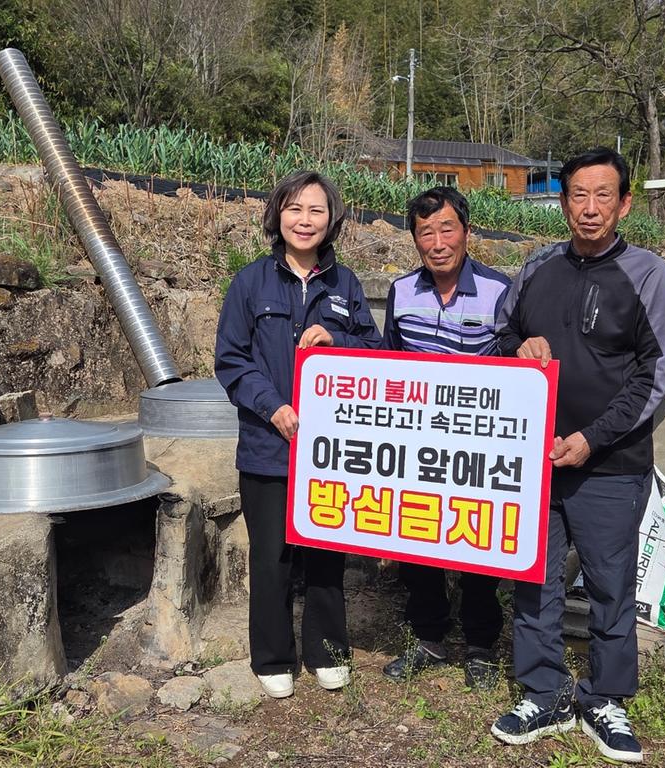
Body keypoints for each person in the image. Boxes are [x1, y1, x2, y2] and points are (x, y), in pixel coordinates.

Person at [488, 148, 665, 764]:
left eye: (603, 195)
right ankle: (543, 692)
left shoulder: (646, 273)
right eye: (577, 194)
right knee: (534, 578)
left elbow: (653, 375)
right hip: (534, 459)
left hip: (610, 465)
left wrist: (592, 438)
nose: (589, 208)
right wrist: (519, 345)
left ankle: (605, 698)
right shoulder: (538, 266)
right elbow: (500, 334)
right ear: (563, 201)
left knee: (609, 585)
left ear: (624, 204)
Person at [214, 170, 382, 699]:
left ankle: (327, 651)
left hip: (332, 450)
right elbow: (232, 360)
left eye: (316, 210)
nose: (304, 220)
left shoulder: (345, 284)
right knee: (272, 557)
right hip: (268, 446)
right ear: (277, 216)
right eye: (294, 209)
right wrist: (274, 407)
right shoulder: (250, 283)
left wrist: (338, 340)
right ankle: (272, 656)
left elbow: (375, 352)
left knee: (328, 552)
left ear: (331, 219)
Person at [380, 186, 511, 689]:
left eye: (447, 229)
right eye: (425, 233)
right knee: (417, 540)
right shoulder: (401, 292)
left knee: (477, 540)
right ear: (415, 240)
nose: (437, 243)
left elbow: (515, 363)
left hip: (479, 446)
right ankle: (428, 637)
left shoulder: (501, 291)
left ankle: (481, 645)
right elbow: (388, 364)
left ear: (467, 232)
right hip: (419, 446)